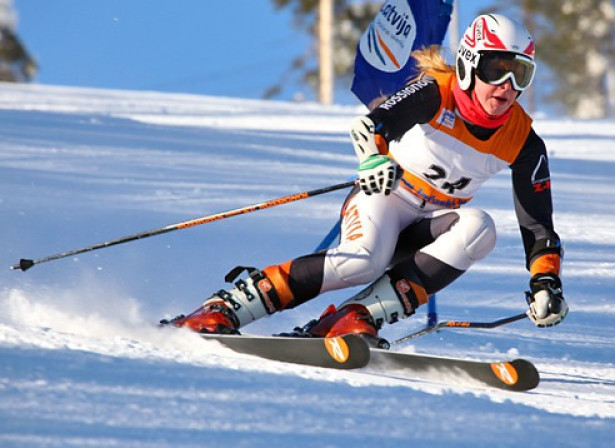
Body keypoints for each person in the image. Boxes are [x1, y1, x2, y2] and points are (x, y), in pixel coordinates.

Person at [169, 14, 568, 343]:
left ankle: (350, 319)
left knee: (480, 229)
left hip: (428, 226)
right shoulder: (435, 93)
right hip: (386, 198)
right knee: (362, 261)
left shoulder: (523, 140)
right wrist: (373, 161)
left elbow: (538, 227)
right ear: (467, 64)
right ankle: (226, 307)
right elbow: (368, 126)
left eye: (521, 73)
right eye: (495, 69)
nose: (507, 86)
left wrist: (546, 282)